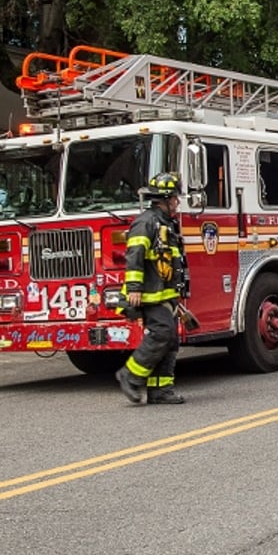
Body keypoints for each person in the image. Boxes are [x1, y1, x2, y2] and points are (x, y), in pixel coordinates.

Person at [115, 172, 189, 405]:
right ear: (165, 200)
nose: (177, 203)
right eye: (175, 198)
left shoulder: (166, 223)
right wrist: (134, 288)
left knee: (170, 341)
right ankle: (130, 375)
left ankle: (161, 390)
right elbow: (134, 256)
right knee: (161, 333)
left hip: (165, 294)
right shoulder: (146, 222)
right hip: (148, 293)